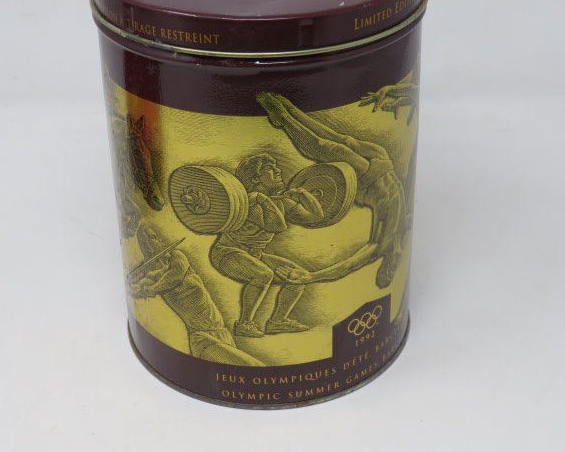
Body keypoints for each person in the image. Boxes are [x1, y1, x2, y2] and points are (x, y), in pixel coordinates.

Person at [256, 92, 409, 289]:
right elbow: (349, 265)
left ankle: (286, 112)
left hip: (378, 172)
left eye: (386, 273)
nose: (389, 270)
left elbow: (349, 265)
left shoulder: (385, 243)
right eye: (388, 273)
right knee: (327, 144)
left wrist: (311, 277)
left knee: (332, 143)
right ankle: (285, 115)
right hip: (377, 173)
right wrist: (310, 277)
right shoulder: (396, 238)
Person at [209, 154, 324, 338]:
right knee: (263, 275)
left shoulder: (277, 201)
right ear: (255, 179)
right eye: (270, 169)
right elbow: (276, 225)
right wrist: (263, 199)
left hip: (255, 255)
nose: (278, 171)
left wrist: (303, 195)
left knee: (298, 276)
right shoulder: (249, 202)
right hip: (227, 253)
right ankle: (244, 324)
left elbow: (316, 217)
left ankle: (277, 321)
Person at [130, 225, 264, 366]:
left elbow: (175, 276)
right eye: (154, 238)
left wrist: (151, 289)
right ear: (148, 247)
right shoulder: (153, 277)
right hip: (203, 339)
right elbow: (142, 286)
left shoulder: (177, 257)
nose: (161, 240)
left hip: (222, 333)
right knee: (254, 367)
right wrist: (136, 286)